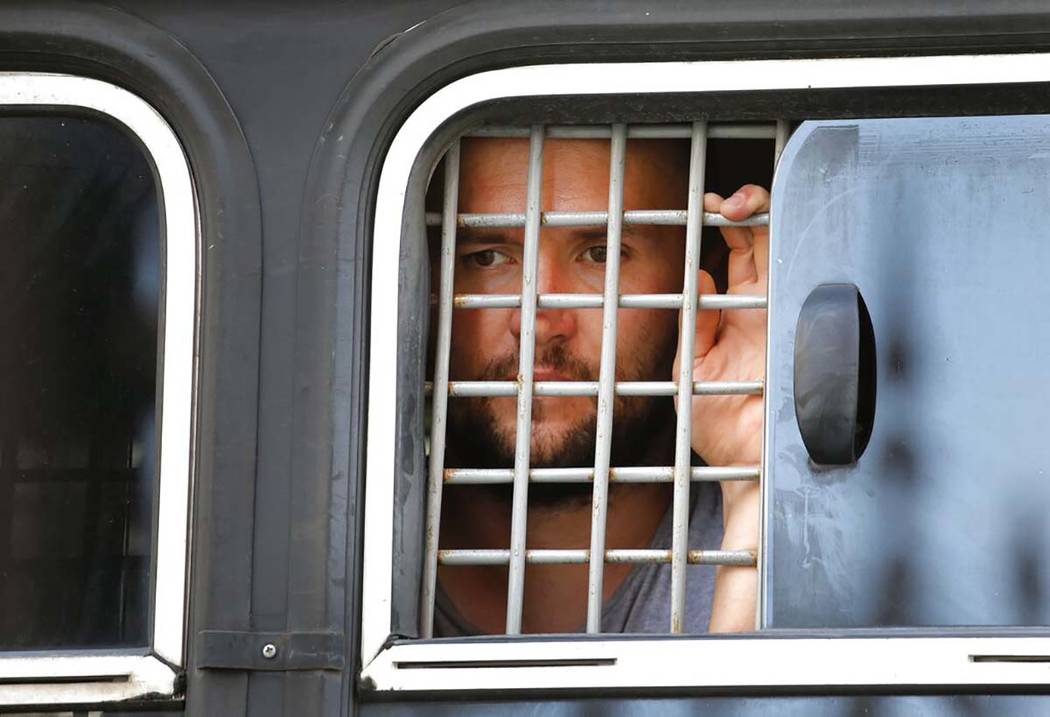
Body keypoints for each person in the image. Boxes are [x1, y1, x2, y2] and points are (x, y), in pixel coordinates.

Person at [433, 136, 766, 635]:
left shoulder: (782, 551)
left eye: (600, 253)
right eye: (487, 258)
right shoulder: (350, 557)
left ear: (700, 278)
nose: (537, 320)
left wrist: (752, 493)